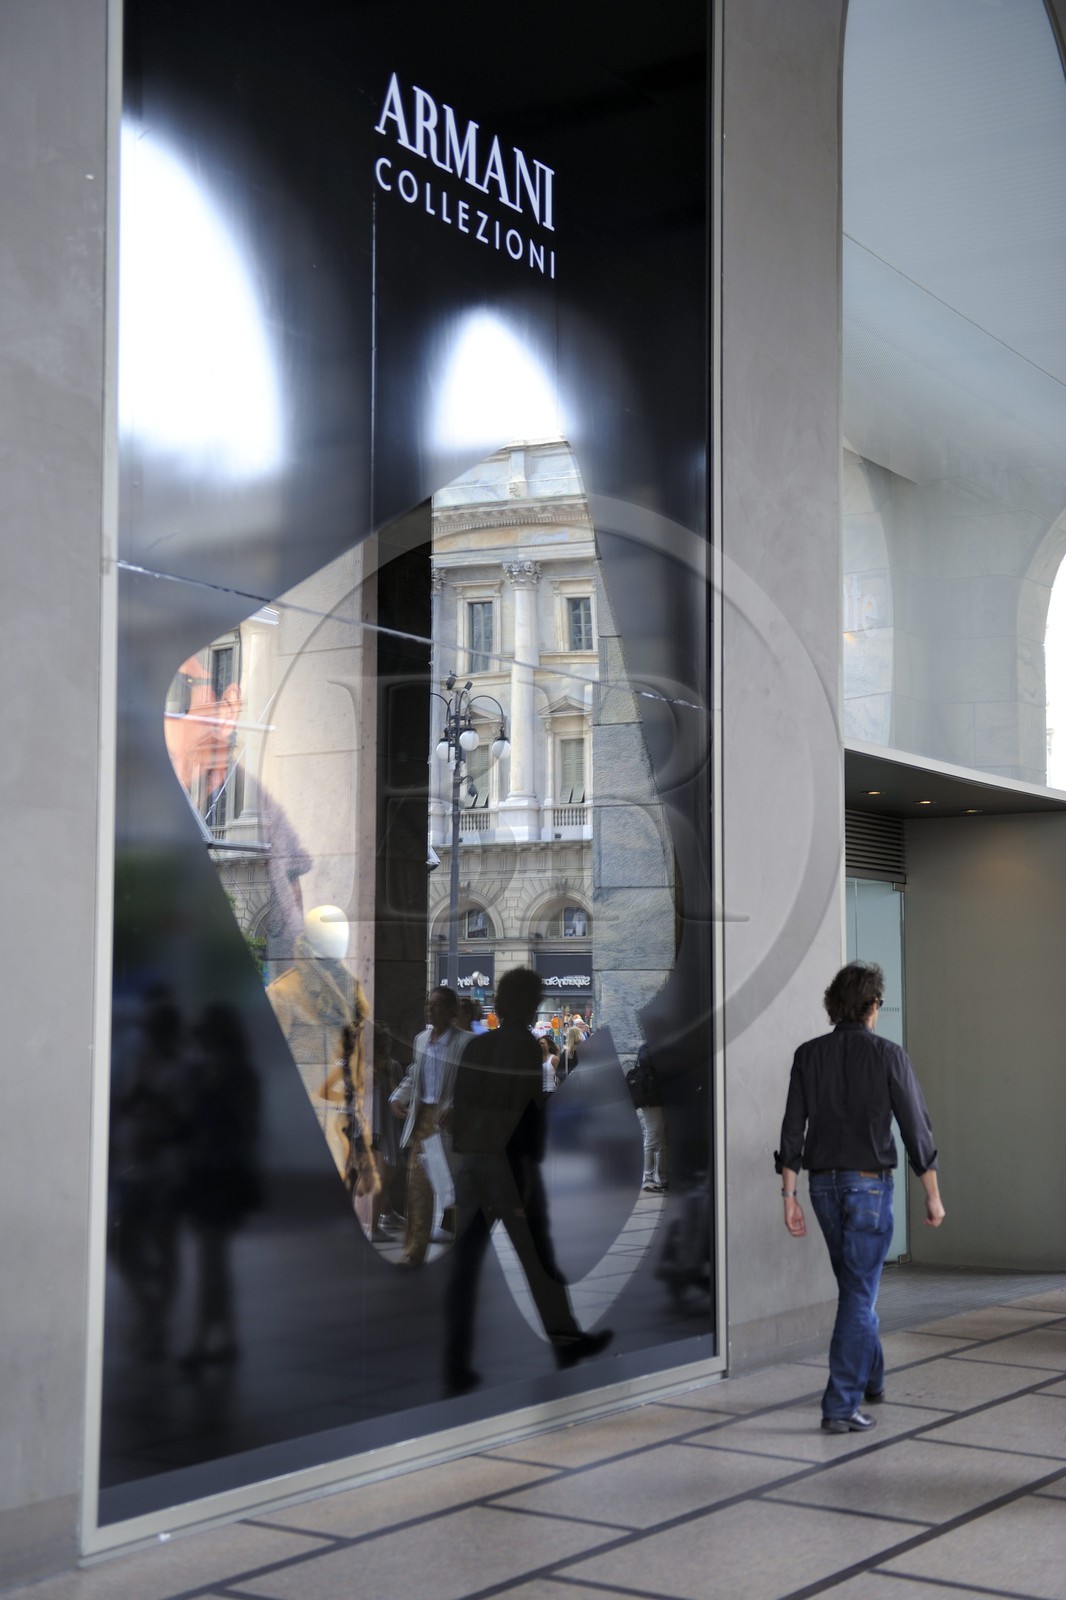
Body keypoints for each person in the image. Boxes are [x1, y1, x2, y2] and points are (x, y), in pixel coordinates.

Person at [776, 961, 944, 1434]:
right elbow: (916, 1128)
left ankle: (872, 1377)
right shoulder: (888, 1055)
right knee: (858, 1292)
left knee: (856, 1287)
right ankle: (840, 1404)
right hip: (869, 1185)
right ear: (872, 1006)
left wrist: (788, 1196)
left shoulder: (808, 1055)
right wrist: (932, 1194)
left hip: (821, 1188)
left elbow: (792, 1130)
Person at [443, 966, 612, 1394]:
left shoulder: (478, 1047)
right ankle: (566, 1340)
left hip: (474, 1167)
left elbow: (459, 1108)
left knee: (466, 1267)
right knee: (540, 1262)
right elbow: (524, 1118)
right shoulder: (522, 1047)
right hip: (509, 1171)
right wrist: (526, 1181)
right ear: (531, 1004)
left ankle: (454, 1359)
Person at [390, 986, 467, 1266]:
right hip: (422, 1121)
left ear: (451, 1011)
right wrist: (397, 1096)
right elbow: (413, 1074)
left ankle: (460, 1256)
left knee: (451, 1193)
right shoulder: (421, 1040)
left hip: (448, 1125)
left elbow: (473, 1085)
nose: (430, 1009)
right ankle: (413, 1253)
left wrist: (457, 1107)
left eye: (436, 1005)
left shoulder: (464, 1043)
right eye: (428, 1004)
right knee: (417, 1191)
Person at [626, 1043, 669, 1193]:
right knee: (653, 1137)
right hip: (653, 1099)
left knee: (662, 1139)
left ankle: (662, 1178)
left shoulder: (650, 1046)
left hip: (659, 1098)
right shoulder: (650, 1047)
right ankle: (648, 1179)